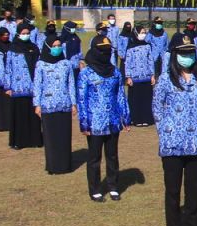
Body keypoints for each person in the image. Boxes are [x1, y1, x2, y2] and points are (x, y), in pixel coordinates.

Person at [153, 36, 197, 226]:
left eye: (191, 52)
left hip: (196, 142)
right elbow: (157, 109)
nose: (188, 57)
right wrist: (166, 132)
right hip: (172, 143)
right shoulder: (165, 80)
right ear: (175, 55)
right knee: (173, 190)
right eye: (184, 53)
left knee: (193, 190)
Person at [77, 35, 130, 201]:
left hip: (113, 120)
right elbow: (81, 99)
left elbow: (120, 95)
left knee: (112, 155)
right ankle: (95, 189)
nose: (105, 54)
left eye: (108, 51)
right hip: (94, 123)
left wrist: (126, 117)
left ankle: (113, 185)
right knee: (94, 158)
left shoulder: (115, 73)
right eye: (102, 51)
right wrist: (84, 123)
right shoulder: (86, 73)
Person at [33, 34, 77, 175]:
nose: (57, 48)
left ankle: (65, 165)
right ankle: (53, 166)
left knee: (64, 136)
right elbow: (37, 85)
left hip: (64, 104)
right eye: (54, 46)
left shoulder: (66, 64)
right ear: (47, 47)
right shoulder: (41, 64)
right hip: (47, 105)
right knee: (51, 137)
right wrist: (37, 104)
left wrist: (74, 103)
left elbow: (71, 84)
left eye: (59, 46)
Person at [5, 23, 43, 150]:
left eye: (28, 33)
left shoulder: (34, 48)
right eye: (24, 33)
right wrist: (8, 87)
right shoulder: (12, 49)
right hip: (18, 87)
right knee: (19, 115)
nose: (26, 35)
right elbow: (8, 68)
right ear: (18, 34)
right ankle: (19, 141)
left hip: (33, 87)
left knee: (33, 115)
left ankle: (35, 139)